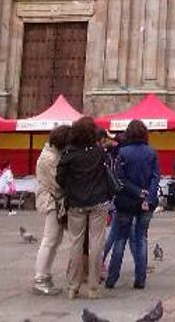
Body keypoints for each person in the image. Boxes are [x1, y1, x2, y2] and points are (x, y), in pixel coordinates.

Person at [56, 116, 112, 300]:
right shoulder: (99, 152)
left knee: (75, 243)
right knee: (96, 242)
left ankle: (73, 286)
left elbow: (60, 180)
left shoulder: (68, 154)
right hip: (98, 202)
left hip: (76, 204)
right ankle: (94, 287)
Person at [105, 120, 160, 291]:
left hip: (126, 201)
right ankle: (140, 279)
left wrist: (137, 192)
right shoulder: (152, 153)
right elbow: (155, 177)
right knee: (141, 239)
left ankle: (112, 278)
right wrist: (148, 195)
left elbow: (120, 179)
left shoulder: (123, 152)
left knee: (120, 239)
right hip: (146, 203)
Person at [32, 125, 70, 296]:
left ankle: (45, 275)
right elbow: (58, 183)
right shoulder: (49, 158)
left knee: (54, 240)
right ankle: (40, 278)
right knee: (49, 240)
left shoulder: (53, 154)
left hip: (55, 202)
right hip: (52, 201)